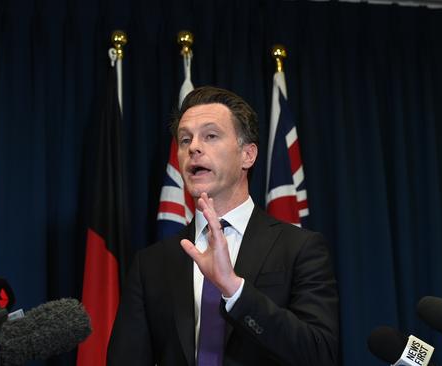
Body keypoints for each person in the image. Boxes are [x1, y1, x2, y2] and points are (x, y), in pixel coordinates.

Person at [107, 86, 339, 366]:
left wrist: (234, 288)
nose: (193, 147)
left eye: (211, 135)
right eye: (184, 139)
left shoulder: (300, 248)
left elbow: (319, 353)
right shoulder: (151, 263)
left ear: (248, 155)